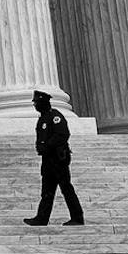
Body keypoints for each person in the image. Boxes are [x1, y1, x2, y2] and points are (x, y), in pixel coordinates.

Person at [24, 89, 85, 226]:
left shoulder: (55, 116)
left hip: (58, 159)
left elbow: (62, 135)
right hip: (47, 160)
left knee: (66, 189)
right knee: (47, 191)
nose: (35, 105)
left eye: (37, 102)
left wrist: (47, 146)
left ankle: (77, 217)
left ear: (44, 103)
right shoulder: (43, 118)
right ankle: (42, 218)